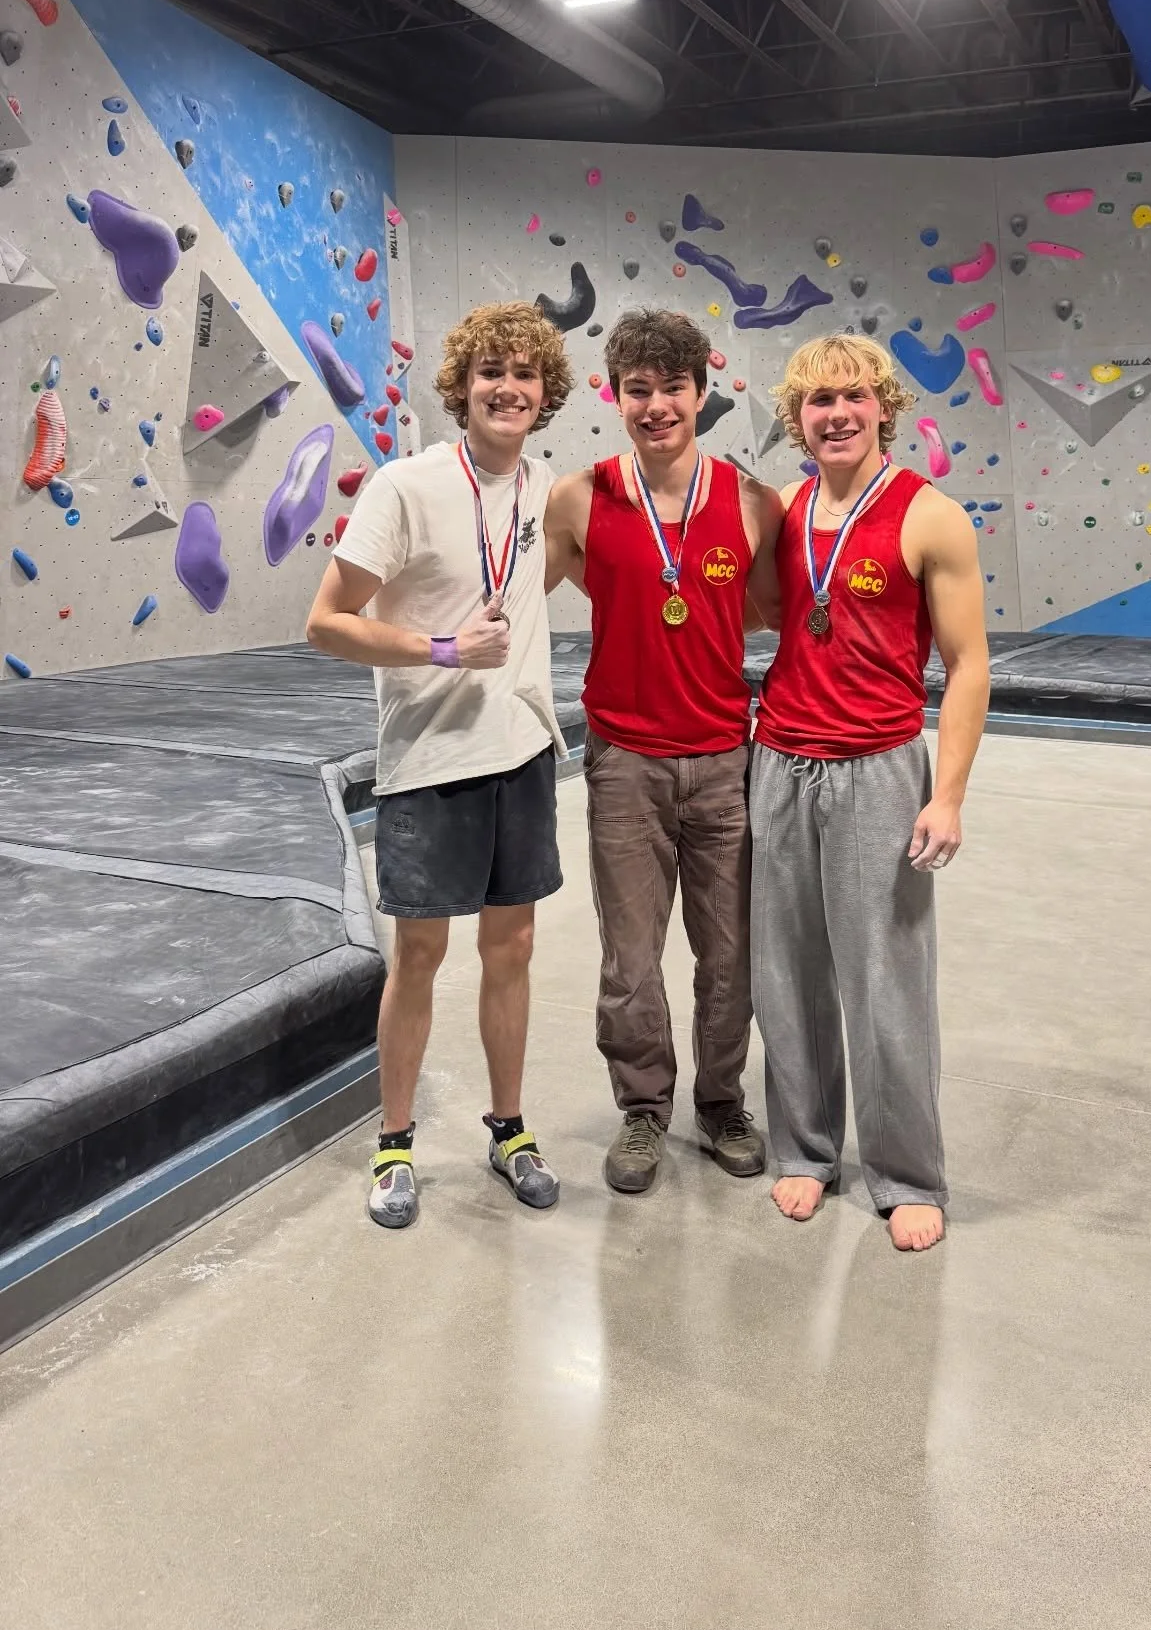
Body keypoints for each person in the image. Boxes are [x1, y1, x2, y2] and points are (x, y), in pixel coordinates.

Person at [307, 302, 573, 1229]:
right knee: (420, 954)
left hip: (525, 752)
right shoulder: (405, 486)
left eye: (525, 374)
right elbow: (326, 621)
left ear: (546, 395)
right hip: (430, 755)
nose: (508, 387)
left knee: (516, 947)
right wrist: (444, 650)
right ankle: (394, 1142)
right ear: (460, 387)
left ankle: (509, 1128)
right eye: (490, 372)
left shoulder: (553, 493)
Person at [749, 333, 990, 1253]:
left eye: (853, 396)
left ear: (883, 405)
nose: (837, 414)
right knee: (787, 970)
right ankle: (806, 1150)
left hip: (878, 767)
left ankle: (906, 1172)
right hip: (778, 759)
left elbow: (968, 667)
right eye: (817, 401)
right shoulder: (784, 509)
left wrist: (950, 795)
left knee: (886, 977)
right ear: (796, 418)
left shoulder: (930, 517)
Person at [546, 308, 783, 1193]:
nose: (655, 407)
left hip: (725, 759)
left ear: (700, 394)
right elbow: (524, 588)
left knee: (728, 957)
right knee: (630, 958)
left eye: (672, 389)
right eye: (637, 390)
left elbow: (764, 610)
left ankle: (722, 1102)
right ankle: (643, 1108)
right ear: (616, 395)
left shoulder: (752, 500)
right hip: (623, 763)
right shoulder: (580, 497)